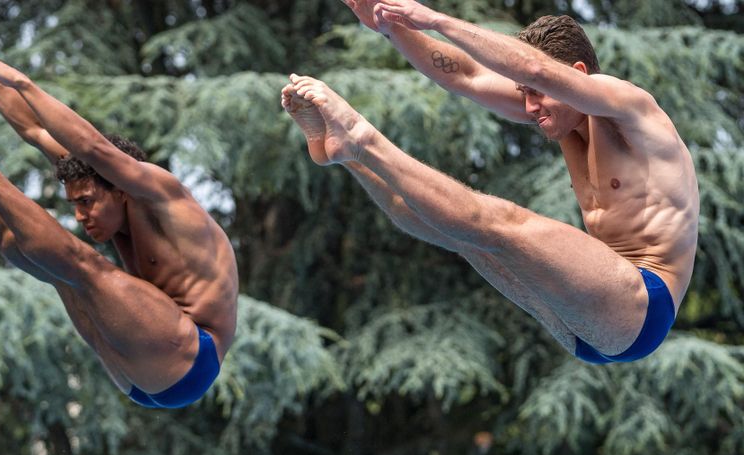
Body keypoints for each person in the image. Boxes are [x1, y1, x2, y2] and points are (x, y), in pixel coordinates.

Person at [281, 0, 699, 363]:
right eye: (525, 93)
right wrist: (392, 25)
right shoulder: (563, 116)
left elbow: (534, 66)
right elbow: (465, 75)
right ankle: (348, 157)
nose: (529, 107)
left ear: (576, 73)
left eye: (536, 92)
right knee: (456, 234)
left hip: (642, 303)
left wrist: (432, 18)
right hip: (584, 326)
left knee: (500, 222)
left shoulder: (629, 108)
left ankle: (361, 139)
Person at [0, 4, 238, 407]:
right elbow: (33, 129)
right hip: (136, 370)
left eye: (88, 202)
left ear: (121, 188)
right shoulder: (98, 181)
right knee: (53, 269)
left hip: (188, 357)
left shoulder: (160, 193)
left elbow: (91, 146)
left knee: (83, 264)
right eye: (75, 204)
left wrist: (23, 82)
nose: (80, 215)